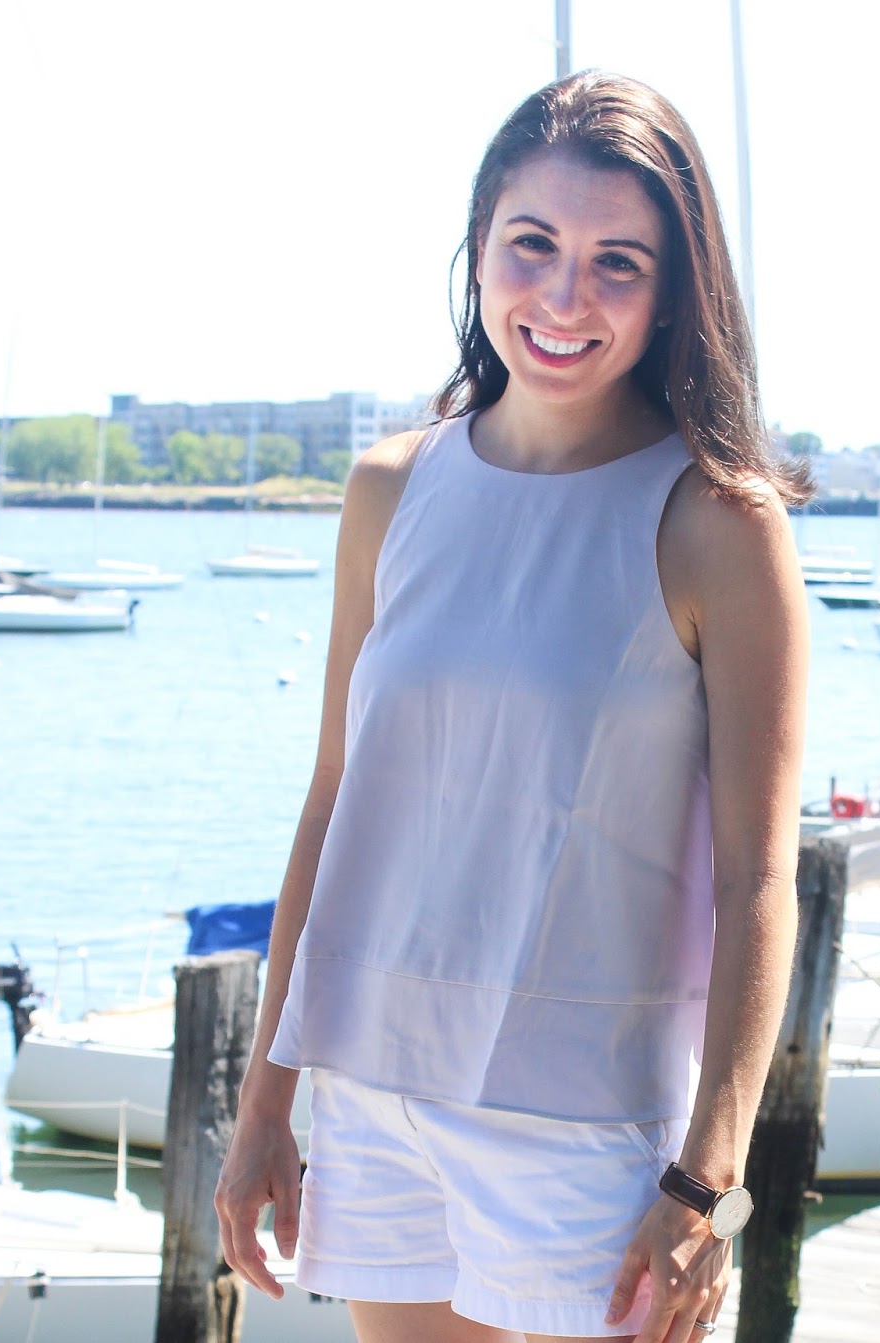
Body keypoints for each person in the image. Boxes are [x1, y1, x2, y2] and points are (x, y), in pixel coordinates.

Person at [215, 70, 812, 1343]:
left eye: (617, 263)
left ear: (672, 293)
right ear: (478, 247)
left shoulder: (718, 521)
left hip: (585, 1117)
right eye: (531, 243)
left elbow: (758, 874)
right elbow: (334, 800)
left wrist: (707, 1181)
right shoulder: (389, 489)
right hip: (371, 1086)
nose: (563, 295)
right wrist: (266, 1100)